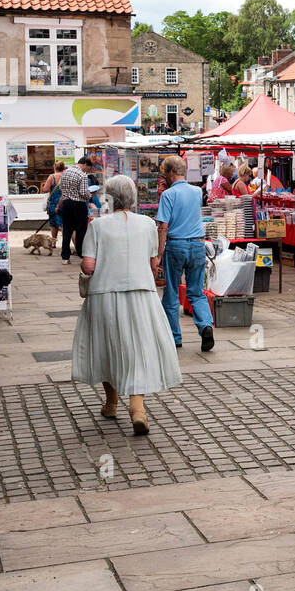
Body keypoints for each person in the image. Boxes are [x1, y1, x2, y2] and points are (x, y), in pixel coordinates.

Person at [73, 174, 181, 435]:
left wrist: (86, 269)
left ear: (108, 198)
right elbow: (154, 263)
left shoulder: (97, 226)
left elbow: (89, 265)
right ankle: (137, 408)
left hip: (104, 295)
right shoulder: (147, 224)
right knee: (139, 349)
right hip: (141, 294)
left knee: (106, 347)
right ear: (133, 197)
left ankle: (111, 403)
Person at [156, 155, 214, 351]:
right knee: (196, 292)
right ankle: (205, 325)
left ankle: (175, 337)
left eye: (165, 173)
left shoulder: (168, 195)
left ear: (171, 173)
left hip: (176, 245)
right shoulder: (197, 191)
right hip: (197, 244)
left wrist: (158, 253)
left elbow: (163, 226)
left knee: (171, 292)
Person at [58, 156, 95, 262]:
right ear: (84, 164)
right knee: (80, 231)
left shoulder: (66, 172)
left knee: (67, 230)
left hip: (66, 203)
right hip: (78, 205)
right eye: (87, 168)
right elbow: (83, 193)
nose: (87, 171)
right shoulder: (82, 175)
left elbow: (61, 188)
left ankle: (65, 257)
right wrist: (90, 195)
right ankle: (81, 254)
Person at [42, 161, 66, 243]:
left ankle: (53, 242)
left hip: (53, 203)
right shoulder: (66, 176)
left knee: (53, 224)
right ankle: (65, 243)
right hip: (64, 202)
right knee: (63, 223)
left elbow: (45, 189)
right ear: (64, 167)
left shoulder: (51, 177)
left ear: (55, 168)